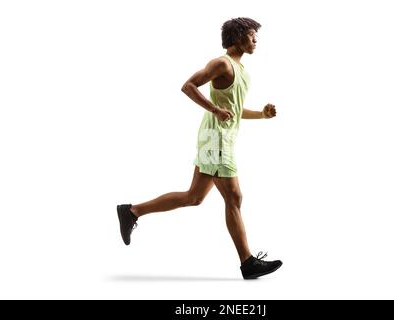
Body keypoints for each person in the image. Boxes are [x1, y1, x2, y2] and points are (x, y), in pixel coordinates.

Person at [117, 17, 282, 279]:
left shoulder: (242, 71)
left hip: (221, 139)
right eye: (251, 35)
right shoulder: (221, 64)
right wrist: (214, 109)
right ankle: (248, 262)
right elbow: (188, 86)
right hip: (215, 139)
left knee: (194, 196)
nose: (255, 40)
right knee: (234, 197)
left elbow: (235, 112)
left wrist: (261, 114)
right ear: (237, 37)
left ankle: (131, 211)